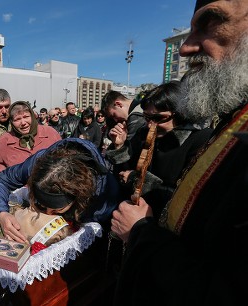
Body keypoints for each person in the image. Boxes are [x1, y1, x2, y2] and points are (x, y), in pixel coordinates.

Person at [111, 1, 248, 305]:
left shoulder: (197, 139)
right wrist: (121, 151)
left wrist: (141, 232)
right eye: (147, 118)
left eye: (212, 21)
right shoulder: (229, 127)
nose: (186, 47)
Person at [106, 81, 213, 217]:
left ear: (180, 113)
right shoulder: (143, 134)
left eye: (158, 118)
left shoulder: (200, 139)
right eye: (147, 117)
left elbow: (187, 196)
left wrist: (137, 180)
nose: (151, 124)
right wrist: (120, 146)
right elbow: (125, 171)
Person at [0, 138, 119, 243]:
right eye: (40, 205)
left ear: (77, 197)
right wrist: (1, 213)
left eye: (56, 210)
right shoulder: (37, 163)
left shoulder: (104, 196)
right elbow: (1, 180)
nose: (48, 215)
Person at [0, 101, 61, 175]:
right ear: (11, 122)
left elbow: (65, 157)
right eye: (17, 119)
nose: (23, 123)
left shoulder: (50, 133)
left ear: (32, 116)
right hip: (18, 185)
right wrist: (8, 175)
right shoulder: (5, 140)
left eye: (26, 117)